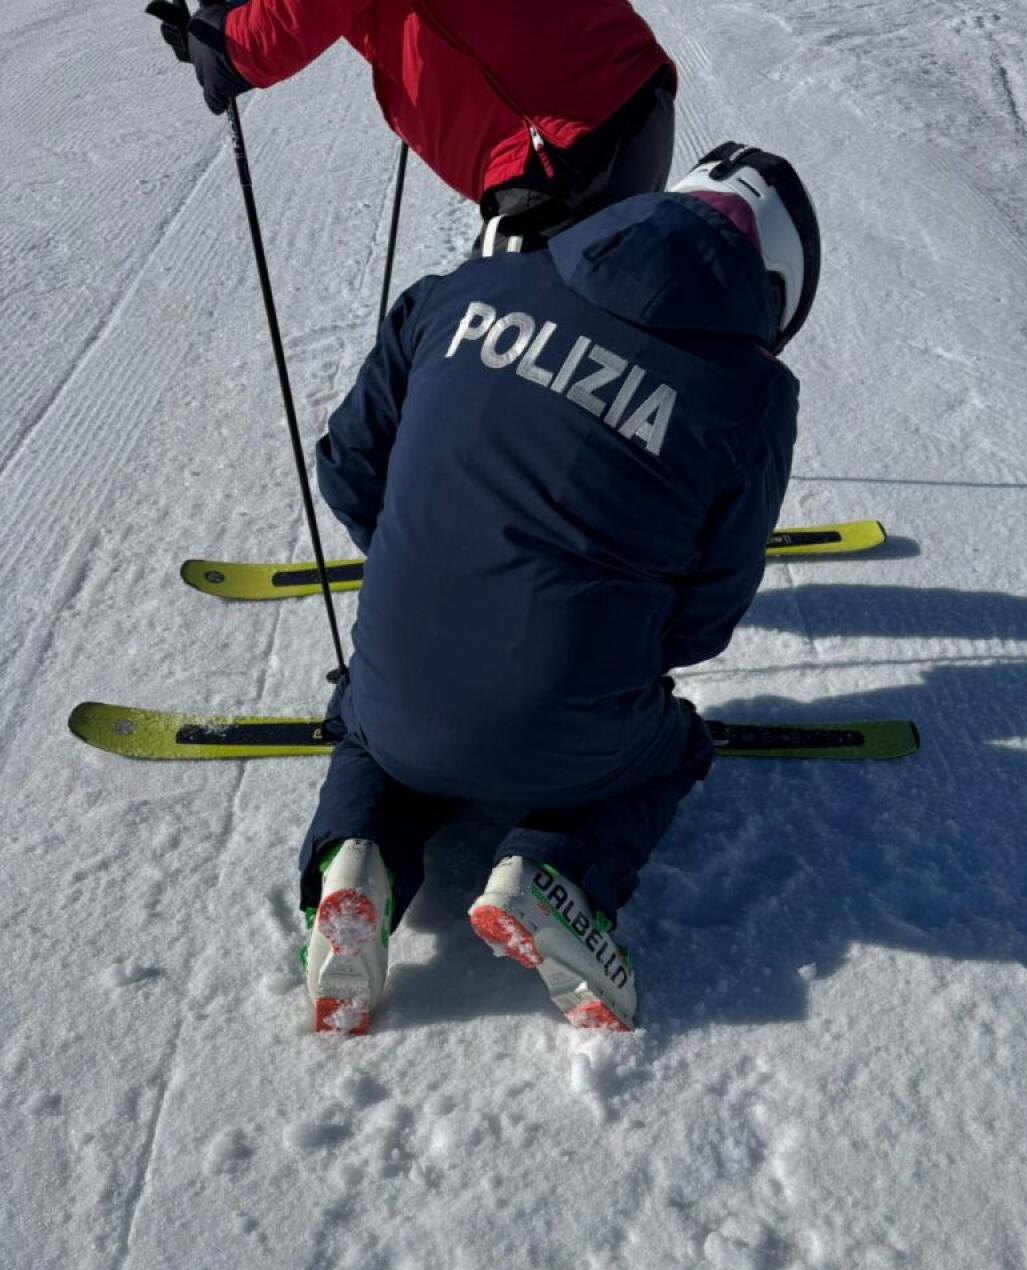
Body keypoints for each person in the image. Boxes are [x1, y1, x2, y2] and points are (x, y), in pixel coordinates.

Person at [299, 143, 820, 1035]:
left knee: (373, 728)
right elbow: (705, 618)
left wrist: (434, 555)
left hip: (399, 687)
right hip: (568, 725)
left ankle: (358, 860)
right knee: (670, 749)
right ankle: (557, 873)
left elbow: (349, 472)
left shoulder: (461, 289)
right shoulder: (751, 397)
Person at [157, 0, 677, 249]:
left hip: (563, 151)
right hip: (625, 95)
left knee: (494, 412)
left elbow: (293, 20)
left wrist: (223, 43)